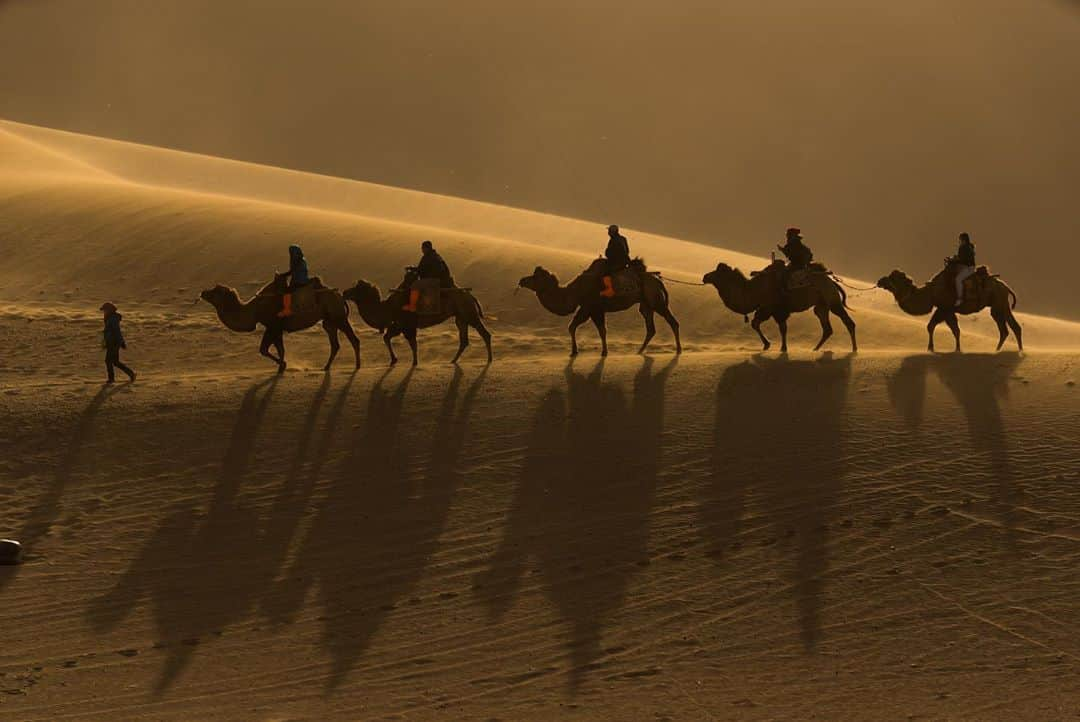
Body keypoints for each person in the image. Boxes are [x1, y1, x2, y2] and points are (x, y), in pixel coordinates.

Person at [403, 240, 454, 311]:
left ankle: (413, 306)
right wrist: (413, 269)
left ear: (427, 248)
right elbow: (422, 268)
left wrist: (417, 271)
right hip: (438, 279)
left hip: (436, 280)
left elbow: (425, 270)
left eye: (423, 248)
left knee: (415, 285)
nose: (422, 250)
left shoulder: (430, 257)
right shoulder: (433, 256)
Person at [100, 302, 135, 383]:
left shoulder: (112, 319)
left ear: (110, 310)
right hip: (112, 342)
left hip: (114, 342)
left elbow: (116, 331)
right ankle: (131, 374)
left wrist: (120, 341)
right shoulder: (110, 318)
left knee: (108, 361)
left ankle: (111, 379)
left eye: (105, 310)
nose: (104, 312)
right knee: (115, 362)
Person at [277, 244, 310, 318]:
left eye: (292, 253)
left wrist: (283, 275)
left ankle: (287, 310)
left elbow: (293, 272)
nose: (291, 254)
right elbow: (292, 271)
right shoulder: (299, 260)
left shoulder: (300, 262)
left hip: (300, 281)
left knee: (287, 292)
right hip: (298, 280)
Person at [601, 224, 631, 298]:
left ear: (612, 232)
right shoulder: (623, 238)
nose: (608, 233)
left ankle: (610, 290)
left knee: (605, 273)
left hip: (617, 263)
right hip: (624, 262)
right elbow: (627, 251)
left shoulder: (614, 240)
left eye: (609, 231)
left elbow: (610, 253)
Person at [951, 232, 977, 307]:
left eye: (960, 239)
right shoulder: (968, 247)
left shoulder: (964, 247)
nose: (960, 241)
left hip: (968, 268)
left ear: (963, 240)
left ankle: (960, 298)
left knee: (958, 279)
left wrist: (954, 260)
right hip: (966, 267)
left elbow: (963, 259)